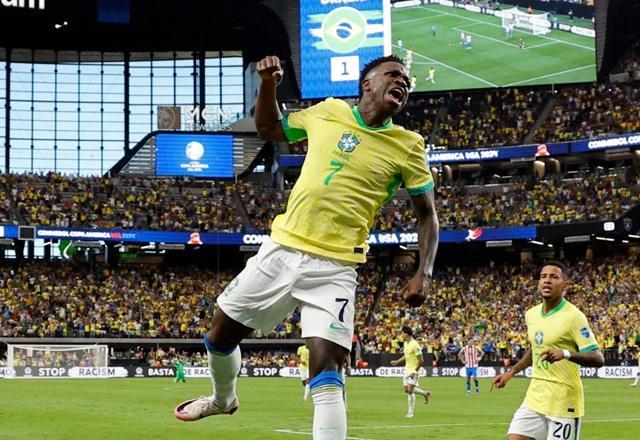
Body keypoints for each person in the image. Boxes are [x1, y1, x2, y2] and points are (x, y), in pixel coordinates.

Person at [174, 54, 439, 440]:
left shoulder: (408, 144)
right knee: (219, 335)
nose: (403, 82)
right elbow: (267, 128)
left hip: (336, 267)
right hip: (282, 249)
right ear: (367, 83)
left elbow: (427, 215)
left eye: (407, 81)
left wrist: (423, 271)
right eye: (394, 75)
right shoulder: (328, 111)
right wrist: (269, 84)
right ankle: (222, 399)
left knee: (327, 369)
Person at [491, 261, 604, 440]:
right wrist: (511, 372)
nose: (547, 280)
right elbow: (535, 349)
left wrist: (565, 353)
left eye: (554, 277)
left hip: (564, 400)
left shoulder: (574, 317)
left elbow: (598, 358)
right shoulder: (531, 314)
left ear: (564, 285)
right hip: (536, 396)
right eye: (543, 277)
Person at [390, 326, 431, 418]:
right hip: (407, 369)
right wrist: (397, 361)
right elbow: (406, 355)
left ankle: (410, 412)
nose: (401, 335)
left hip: (414, 370)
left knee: (410, 391)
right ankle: (425, 393)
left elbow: (421, 360)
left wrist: (415, 371)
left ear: (406, 334)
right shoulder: (405, 343)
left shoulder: (415, 345)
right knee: (407, 390)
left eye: (402, 333)